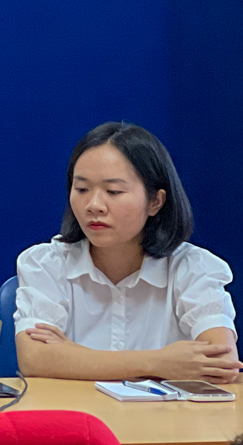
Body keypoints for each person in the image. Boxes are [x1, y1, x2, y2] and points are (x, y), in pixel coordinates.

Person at [15, 122, 239, 382]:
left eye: (113, 191)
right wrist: (158, 362)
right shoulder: (46, 263)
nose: (94, 205)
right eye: (82, 189)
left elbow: (222, 365)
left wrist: (73, 356)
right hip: (73, 408)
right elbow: (35, 359)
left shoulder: (192, 267)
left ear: (155, 201)